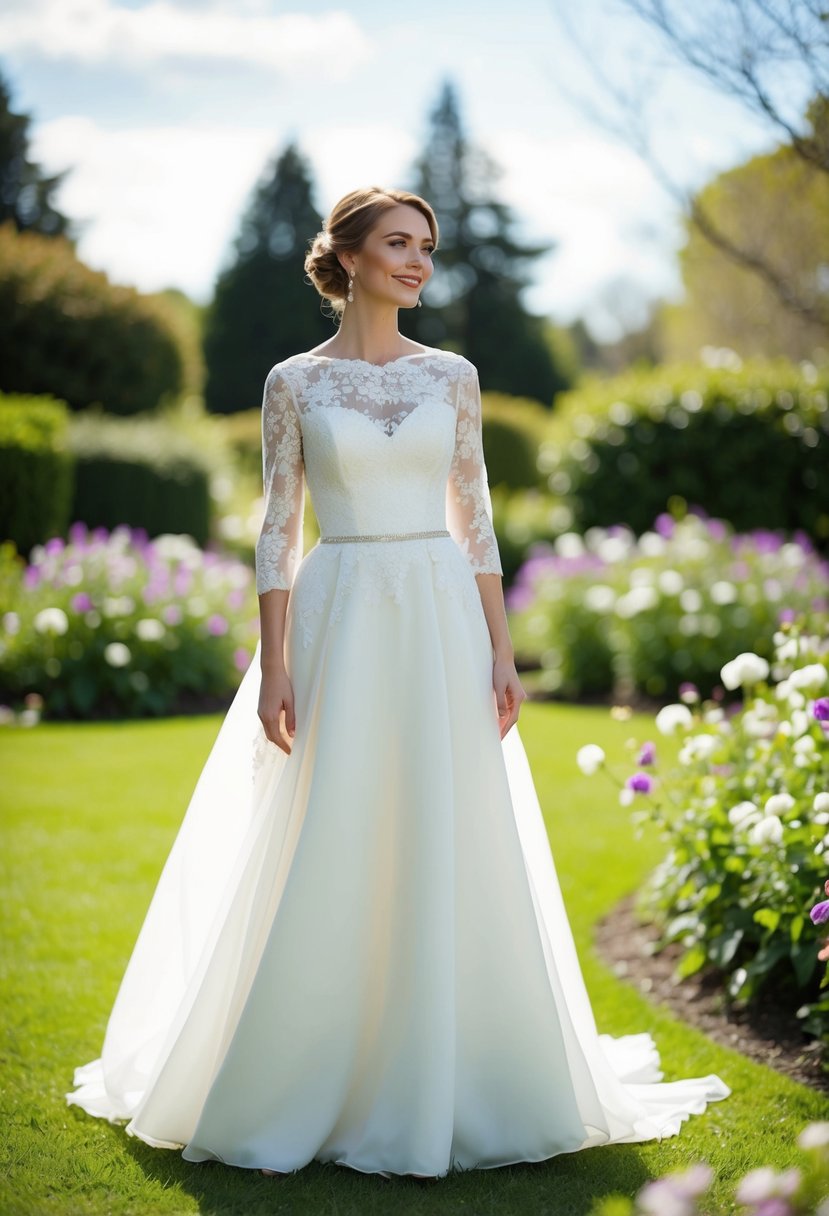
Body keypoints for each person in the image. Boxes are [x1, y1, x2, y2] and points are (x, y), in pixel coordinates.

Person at [66, 186, 729, 1182]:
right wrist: (276, 661)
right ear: (348, 256)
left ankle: (453, 1067)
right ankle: (309, 1064)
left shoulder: (453, 375)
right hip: (339, 614)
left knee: (443, 822)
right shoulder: (292, 381)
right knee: (331, 825)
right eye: (398, 244)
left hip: (436, 616)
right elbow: (276, 527)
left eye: (426, 246)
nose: (418, 262)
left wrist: (502, 651)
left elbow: (479, 521)